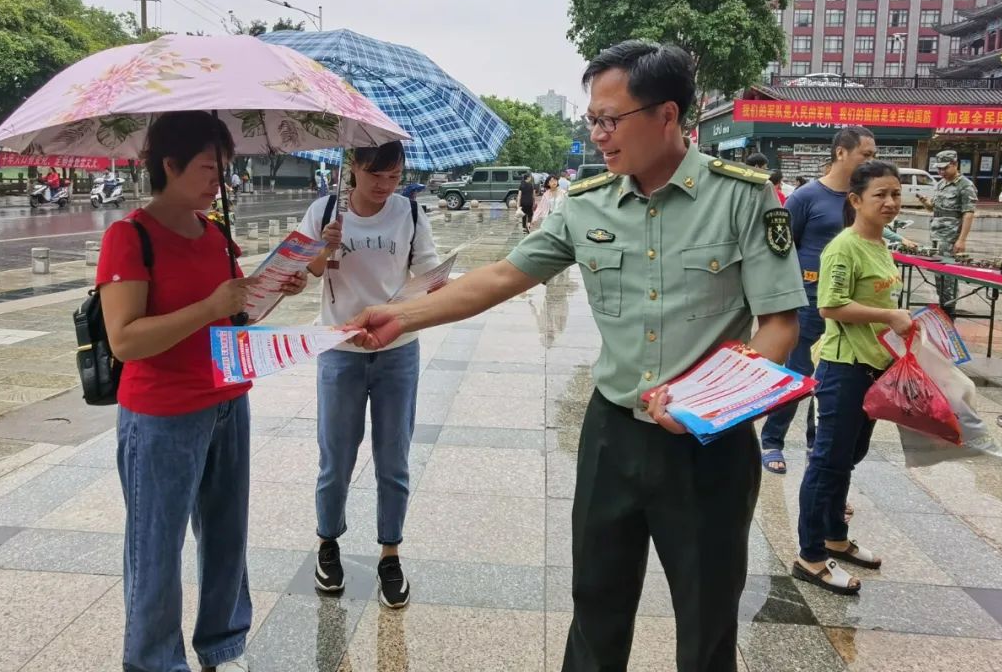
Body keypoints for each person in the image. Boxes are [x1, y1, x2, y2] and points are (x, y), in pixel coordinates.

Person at [343, 40, 806, 672]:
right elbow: (503, 276)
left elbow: (780, 322)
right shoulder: (586, 204)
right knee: (596, 606)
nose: (597, 135)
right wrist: (400, 315)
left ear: (666, 116)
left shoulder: (744, 199)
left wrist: (714, 401)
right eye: (593, 119)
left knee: (707, 621)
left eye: (610, 120)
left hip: (707, 447)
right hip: (612, 435)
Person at [96, 111, 306, 672]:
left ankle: (221, 644)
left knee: (226, 536)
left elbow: (234, 315)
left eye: (224, 168)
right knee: (156, 550)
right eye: (209, 167)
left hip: (226, 401)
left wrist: (275, 287)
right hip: (163, 416)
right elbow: (125, 341)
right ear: (170, 165)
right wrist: (210, 307)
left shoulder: (215, 231)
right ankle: (154, 662)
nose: (220, 180)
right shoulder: (130, 237)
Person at [299, 141, 439, 610]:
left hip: (397, 351)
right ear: (353, 168)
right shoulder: (324, 211)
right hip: (339, 351)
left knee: (393, 457)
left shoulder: (410, 214)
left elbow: (429, 276)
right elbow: (301, 275)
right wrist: (324, 247)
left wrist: (429, 291)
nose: (385, 185)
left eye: (394, 175)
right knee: (335, 457)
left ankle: (390, 553)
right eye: (376, 175)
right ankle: (327, 544)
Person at [793, 160, 913, 595]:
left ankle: (835, 538)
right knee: (827, 462)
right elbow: (829, 305)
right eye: (880, 194)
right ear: (856, 200)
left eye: (896, 194)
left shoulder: (880, 245)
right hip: (842, 369)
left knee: (849, 455)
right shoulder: (843, 247)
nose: (890, 202)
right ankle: (810, 555)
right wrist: (889, 315)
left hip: (872, 368)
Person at [759, 126, 876, 474]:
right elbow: (780, 251)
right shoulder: (806, 197)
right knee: (796, 374)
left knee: (832, 379)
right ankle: (772, 440)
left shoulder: (861, 199)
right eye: (865, 155)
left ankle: (816, 447)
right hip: (809, 301)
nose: (871, 161)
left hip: (848, 304)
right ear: (841, 152)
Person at [916, 150, 978, 317]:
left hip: (951, 238)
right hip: (936, 236)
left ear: (954, 164)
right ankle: (943, 305)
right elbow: (933, 208)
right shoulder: (940, 184)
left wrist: (962, 239)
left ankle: (949, 310)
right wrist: (924, 202)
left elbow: (968, 213)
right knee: (938, 274)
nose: (940, 172)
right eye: (939, 168)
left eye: (944, 168)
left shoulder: (964, 185)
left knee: (949, 275)